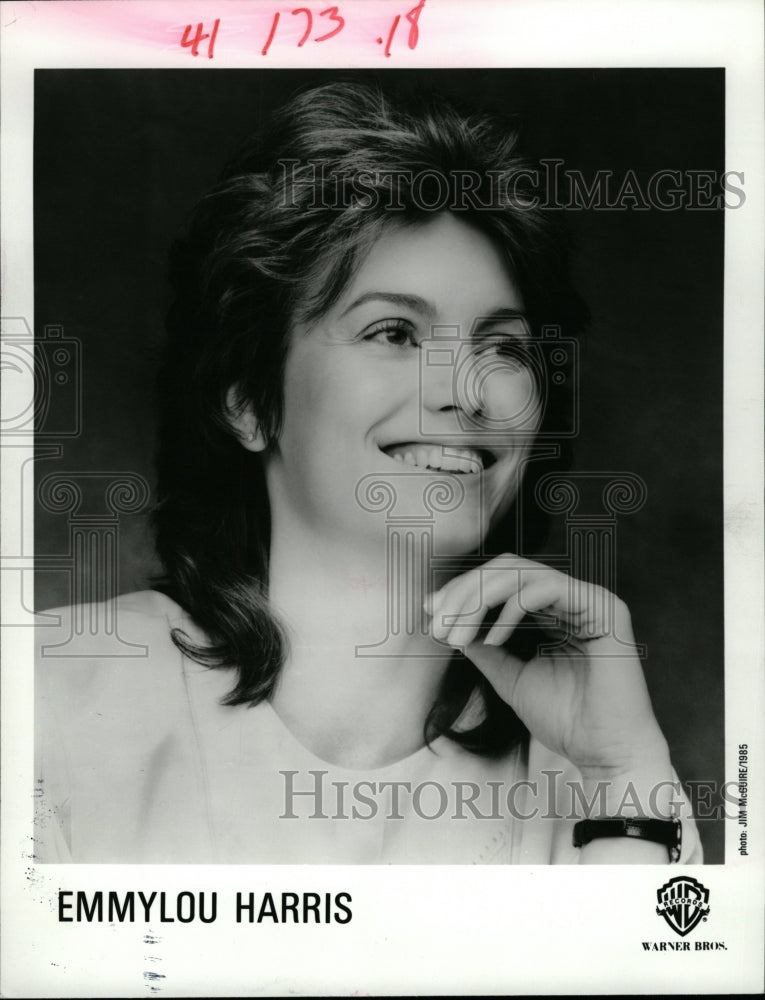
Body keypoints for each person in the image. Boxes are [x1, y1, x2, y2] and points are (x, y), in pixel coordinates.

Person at [35, 81, 701, 864]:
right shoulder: (46, 699)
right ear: (251, 400)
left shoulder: (594, 763)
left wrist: (620, 774)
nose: (467, 392)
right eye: (393, 332)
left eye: (504, 346)